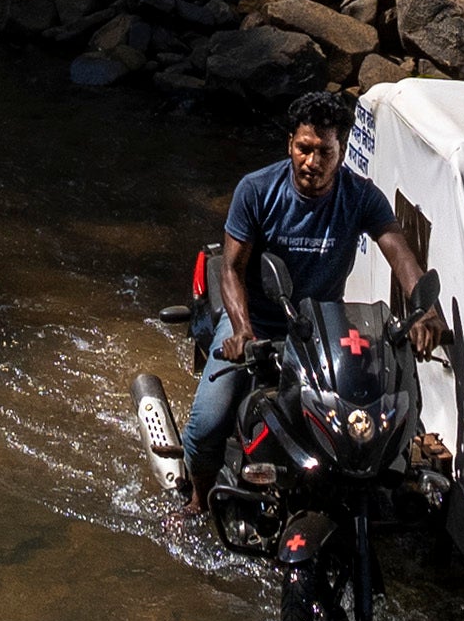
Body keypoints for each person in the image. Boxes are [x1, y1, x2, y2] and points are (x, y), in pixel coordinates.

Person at [174, 89, 434, 485]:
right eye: (303, 148)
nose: (312, 162)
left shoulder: (361, 196)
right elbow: (231, 269)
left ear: (342, 151)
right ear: (290, 144)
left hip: (319, 330)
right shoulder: (257, 190)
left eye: (324, 152)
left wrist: (426, 311)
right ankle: (197, 498)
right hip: (256, 322)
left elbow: (401, 255)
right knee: (208, 423)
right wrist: (243, 329)